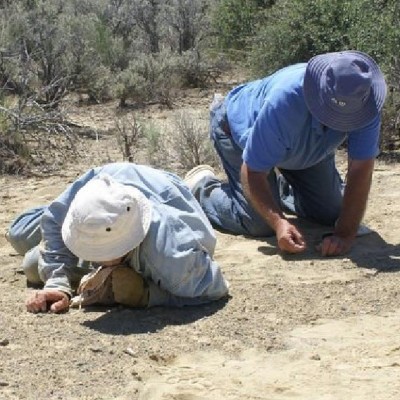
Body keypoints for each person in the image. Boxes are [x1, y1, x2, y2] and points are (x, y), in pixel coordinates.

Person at [184, 50, 387, 257]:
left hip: (305, 148)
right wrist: (279, 223)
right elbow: (252, 171)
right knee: (259, 225)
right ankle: (202, 187)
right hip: (238, 131)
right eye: (335, 115)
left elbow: (361, 168)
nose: (342, 122)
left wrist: (345, 234)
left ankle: (280, 189)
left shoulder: (363, 101)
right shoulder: (285, 100)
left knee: (334, 213)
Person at [6, 163, 229, 313]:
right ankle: (86, 213)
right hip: (110, 178)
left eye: (105, 253)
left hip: (166, 192)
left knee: (33, 265)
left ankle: (195, 186)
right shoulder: (89, 190)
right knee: (18, 235)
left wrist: (148, 295)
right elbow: (54, 221)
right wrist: (57, 282)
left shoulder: (171, 254)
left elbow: (216, 288)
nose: (99, 260)